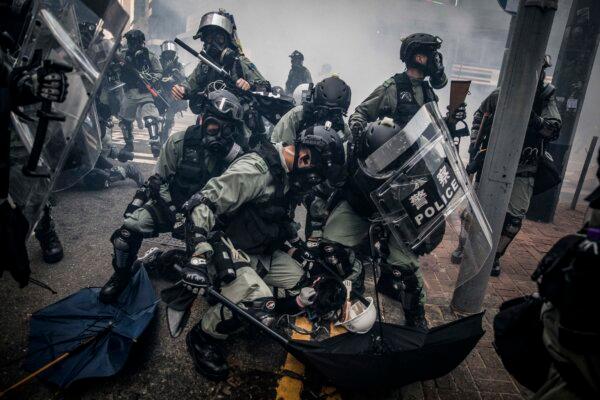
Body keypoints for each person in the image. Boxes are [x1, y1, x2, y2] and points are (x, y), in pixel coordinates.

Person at [174, 125, 346, 380]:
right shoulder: (255, 170)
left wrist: (305, 258)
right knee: (259, 304)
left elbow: (275, 221)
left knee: (303, 284)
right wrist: (198, 256)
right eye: (315, 176)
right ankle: (203, 336)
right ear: (304, 158)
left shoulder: (287, 176)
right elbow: (204, 204)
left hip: (258, 250)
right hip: (227, 248)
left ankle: (246, 303)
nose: (314, 183)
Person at [99, 90, 248, 303]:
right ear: (203, 119)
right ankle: (121, 275)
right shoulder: (180, 142)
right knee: (125, 235)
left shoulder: (237, 158)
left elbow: (236, 196)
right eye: (215, 124)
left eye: (227, 128)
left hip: (208, 219)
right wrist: (176, 213)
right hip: (172, 205)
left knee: (216, 281)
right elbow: (158, 182)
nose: (219, 133)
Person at [453, 56, 562, 276]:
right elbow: (478, 118)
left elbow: (554, 128)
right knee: (471, 212)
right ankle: (463, 246)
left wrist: (535, 121)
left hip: (525, 167)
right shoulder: (501, 94)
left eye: (539, 71)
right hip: (492, 161)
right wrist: (474, 147)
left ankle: (494, 257)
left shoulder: (545, 97)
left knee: (513, 220)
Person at [271, 75, 351, 239]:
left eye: (334, 113)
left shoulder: (343, 129)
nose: (328, 116)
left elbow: (342, 163)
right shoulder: (297, 116)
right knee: (277, 215)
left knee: (319, 219)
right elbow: (276, 149)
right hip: (292, 173)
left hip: (320, 181)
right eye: (323, 110)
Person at [171, 10, 265, 102]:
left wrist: (249, 85)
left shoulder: (239, 62)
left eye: (219, 38)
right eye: (209, 38)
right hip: (210, 114)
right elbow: (190, 84)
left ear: (228, 40)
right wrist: (181, 89)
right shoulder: (204, 66)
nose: (213, 43)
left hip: (236, 115)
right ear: (204, 41)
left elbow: (264, 86)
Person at [117, 29, 163, 158]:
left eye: (135, 42)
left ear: (141, 42)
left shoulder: (150, 56)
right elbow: (114, 64)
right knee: (125, 121)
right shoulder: (123, 55)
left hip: (146, 92)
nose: (133, 45)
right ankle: (128, 144)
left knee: (150, 117)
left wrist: (151, 78)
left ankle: (155, 142)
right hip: (130, 92)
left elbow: (159, 72)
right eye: (131, 42)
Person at [158, 40, 187, 143]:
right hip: (160, 93)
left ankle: (165, 135)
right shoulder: (159, 63)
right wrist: (164, 72)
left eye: (171, 54)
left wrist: (175, 74)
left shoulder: (179, 65)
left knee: (169, 119)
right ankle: (157, 135)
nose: (169, 56)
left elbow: (183, 79)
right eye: (167, 54)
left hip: (173, 95)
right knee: (156, 117)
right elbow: (155, 74)